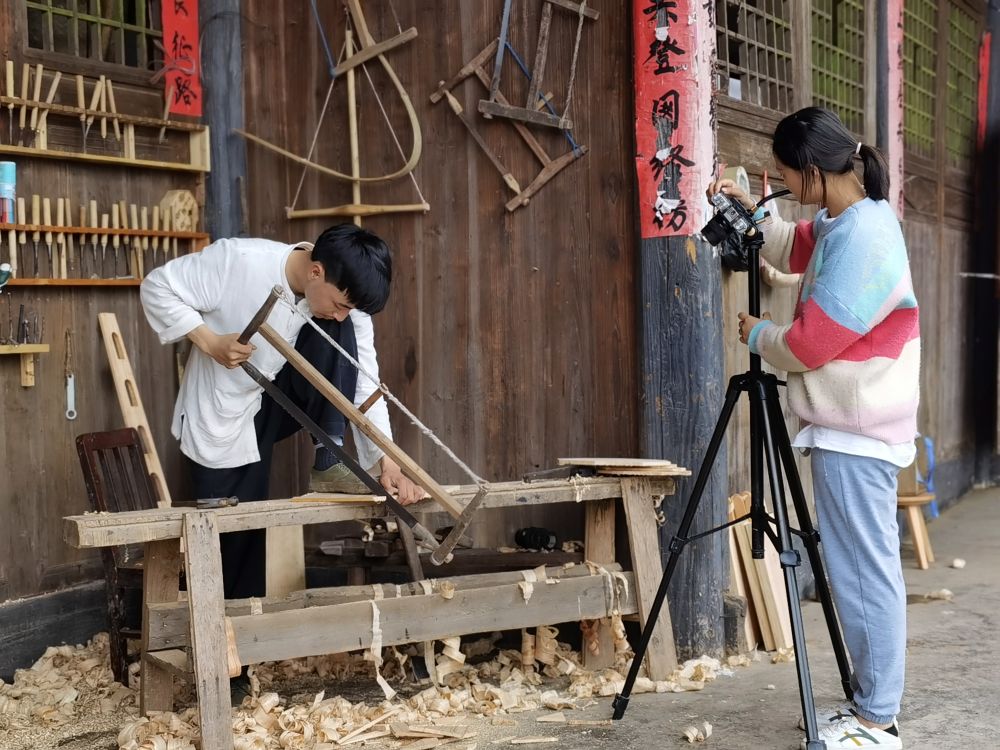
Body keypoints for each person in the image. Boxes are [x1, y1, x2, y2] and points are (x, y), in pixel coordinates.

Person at [708, 106, 919, 750]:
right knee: (860, 568)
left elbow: (809, 344)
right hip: (853, 423)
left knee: (862, 573)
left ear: (812, 173)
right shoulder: (846, 217)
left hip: (857, 428)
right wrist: (754, 212)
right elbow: (799, 242)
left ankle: (875, 718)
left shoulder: (863, 240)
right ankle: (870, 706)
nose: (780, 186)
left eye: (782, 177)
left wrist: (758, 334)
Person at [140, 223, 426, 601]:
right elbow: (157, 285)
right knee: (235, 538)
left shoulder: (344, 303)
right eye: (341, 305)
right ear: (316, 271)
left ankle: (329, 456)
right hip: (224, 408)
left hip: (280, 394)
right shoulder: (238, 260)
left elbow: (363, 380)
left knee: (341, 335)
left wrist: (389, 462)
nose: (343, 314)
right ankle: (228, 649)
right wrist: (210, 342)